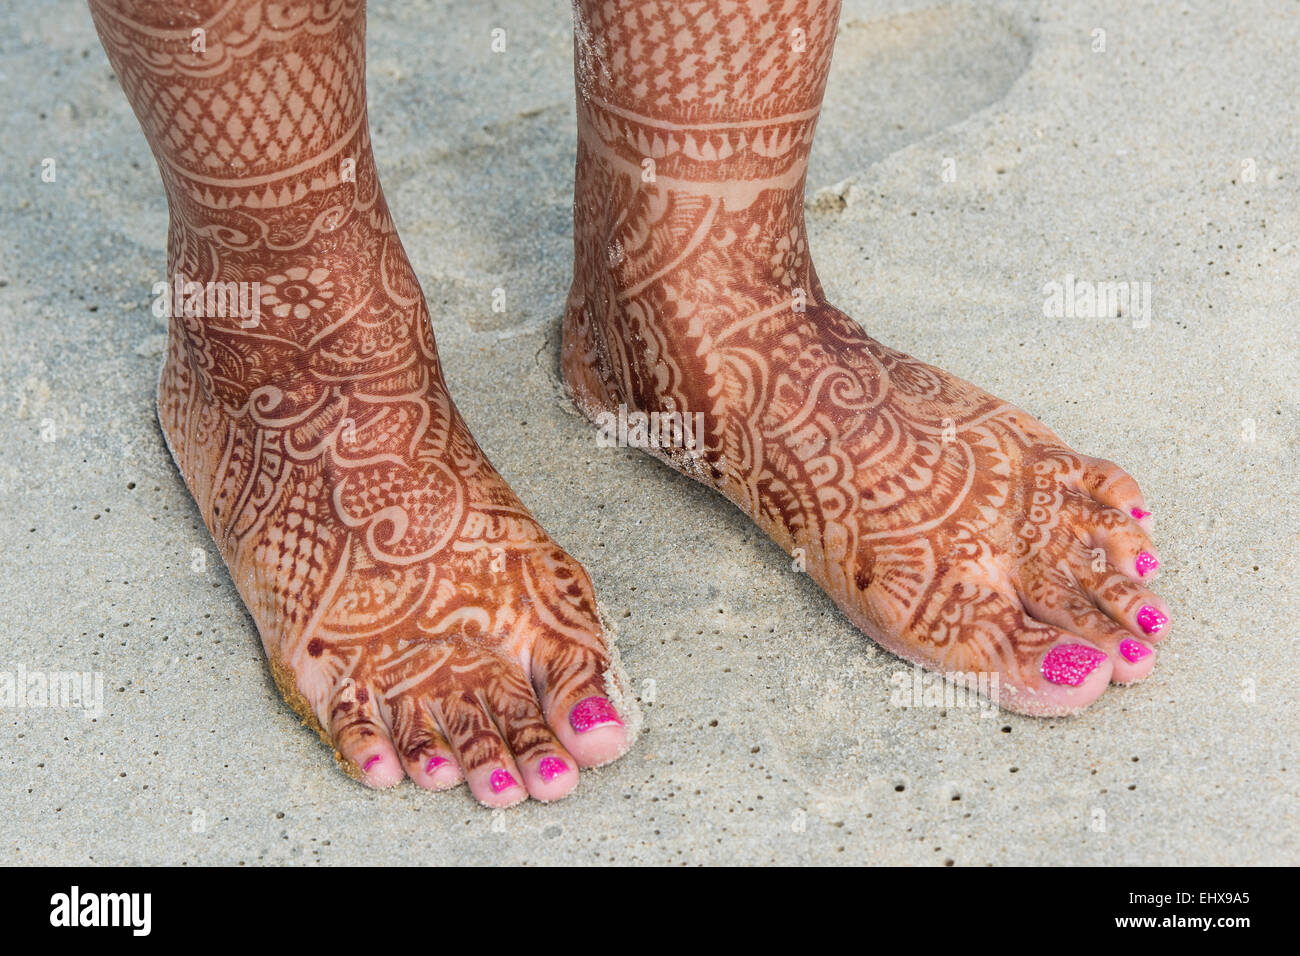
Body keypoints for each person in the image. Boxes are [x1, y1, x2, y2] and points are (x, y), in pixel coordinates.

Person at [87, 0, 1169, 807]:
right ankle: (290, 338)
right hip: (294, 346)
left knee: (715, 270)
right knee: (297, 301)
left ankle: (703, 292)